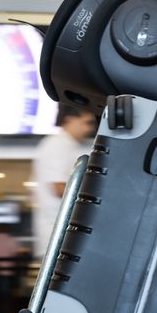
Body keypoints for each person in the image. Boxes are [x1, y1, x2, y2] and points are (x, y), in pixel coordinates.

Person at [31, 106, 97, 258]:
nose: (90, 128)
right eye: (86, 122)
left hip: (66, 231)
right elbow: (59, 188)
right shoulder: (57, 144)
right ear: (69, 120)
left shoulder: (70, 146)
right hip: (58, 232)